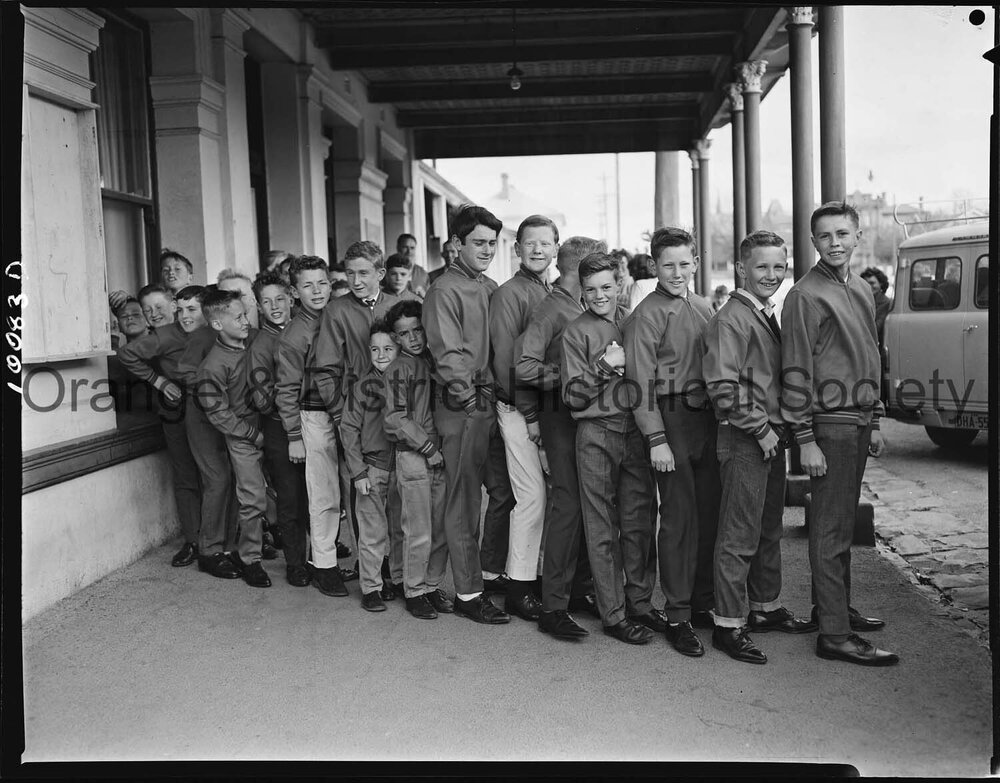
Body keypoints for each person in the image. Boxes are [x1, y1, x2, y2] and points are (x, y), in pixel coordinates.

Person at [781, 201, 898, 666]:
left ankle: (832, 609)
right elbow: (795, 369)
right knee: (830, 529)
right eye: (825, 236)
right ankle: (833, 635)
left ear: (857, 236)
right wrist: (805, 438)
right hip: (829, 425)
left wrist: (877, 418)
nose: (835, 243)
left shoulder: (861, 288)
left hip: (859, 419)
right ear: (813, 242)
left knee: (841, 524)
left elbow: (871, 353)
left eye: (843, 234)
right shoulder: (804, 295)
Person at [702, 230, 816, 665]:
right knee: (739, 532)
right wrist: (759, 427)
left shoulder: (765, 312)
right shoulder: (731, 318)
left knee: (769, 527)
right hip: (746, 437)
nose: (771, 274)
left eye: (779, 266)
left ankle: (765, 606)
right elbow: (721, 385)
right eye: (761, 266)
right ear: (741, 269)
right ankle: (728, 624)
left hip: (769, 435)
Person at [623, 227, 720, 658]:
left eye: (684, 263)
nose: (677, 272)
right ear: (654, 266)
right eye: (668, 265)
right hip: (671, 419)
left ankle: (702, 602)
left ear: (696, 263)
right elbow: (638, 382)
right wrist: (656, 438)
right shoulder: (646, 315)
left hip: (708, 420)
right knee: (678, 520)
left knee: (708, 514)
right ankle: (678, 615)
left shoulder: (703, 305)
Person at [561, 252, 658, 645]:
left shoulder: (632, 321)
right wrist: (604, 366)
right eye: (591, 290)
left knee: (639, 522)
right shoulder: (575, 332)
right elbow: (572, 396)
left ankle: (641, 604)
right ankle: (614, 615)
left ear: (620, 284)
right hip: (596, 433)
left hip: (634, 431)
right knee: (601, 526)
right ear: (582, 293)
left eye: (606, 287)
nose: (599, 295)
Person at [422, 204, 511, 625]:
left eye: (492, 243)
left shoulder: (490, 285)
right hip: (463, 407)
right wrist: (471, 399)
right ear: (456, 243)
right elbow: (447, 353)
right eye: (479, 242)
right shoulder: (443, 290)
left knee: (504, 492)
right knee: (463, 503)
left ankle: (489, 573)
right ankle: (469, 593)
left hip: (492, 402)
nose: (487, 250)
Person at [515, 236, 606, 639]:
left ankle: (578, 590)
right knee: (567, 505)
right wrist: (568, 377)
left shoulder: (582, 305)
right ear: (581, 268)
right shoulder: (550, 309)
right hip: (559, 413)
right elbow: (523, 365)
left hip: (584, 414)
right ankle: (553, 606)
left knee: (586, 502)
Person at [314, 240, 402, 589]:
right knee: (361, 487)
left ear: (381, 273)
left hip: (399, 410)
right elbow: (325, 369)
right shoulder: (336, 311)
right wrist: (340, 414)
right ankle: (369, 565)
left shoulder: (399, 305)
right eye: (350, 273)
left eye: (364, 273)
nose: (355, 280)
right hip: (358, 413)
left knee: (397, 490)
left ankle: (394, 566)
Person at [487, 215, 557, 621]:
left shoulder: (550, 289)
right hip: (517, 408)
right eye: (529, 243)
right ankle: (518, 587)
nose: (537, 250)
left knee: (545, 495)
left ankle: (537, 577)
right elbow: (505, 365)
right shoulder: (509, 294)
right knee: (531, 495)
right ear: (516, 249)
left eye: (545, 243)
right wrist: (530, 416)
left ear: (555, 248)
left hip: (544, 409)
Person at [275, 255, 350, 597]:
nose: (317, 290)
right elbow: (286, 389)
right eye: (307, 285)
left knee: (351, 487)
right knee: (323, 491)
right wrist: (294, 435)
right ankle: (324, 565)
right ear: (294, 292)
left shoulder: (338, 316)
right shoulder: (294, 334)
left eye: (322, 283)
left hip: (347, 410)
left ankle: (364, 561)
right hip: (314, 414)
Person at [118, 285, 207, 569]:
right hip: (176, 409)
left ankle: (223, 538)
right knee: (185, 473)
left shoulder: (206, 327)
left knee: (217, 473)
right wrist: (159, 381)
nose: (153, 313)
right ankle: (193, 540)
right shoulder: (161, 336)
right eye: (147, 310)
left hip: (212, 407)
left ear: (173, 305)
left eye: (159, 307)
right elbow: (127, 354)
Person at [195, 289, 271, 588]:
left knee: (271, 492)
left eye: (245, 315)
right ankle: (250, 559)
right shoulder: (212, 365)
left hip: (268, 424)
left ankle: (252, 542)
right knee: (252, 496)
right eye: (238, 318)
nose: (245, 321)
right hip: (243, 433)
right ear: (217, 324)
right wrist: (251, 434)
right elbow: (218, 413)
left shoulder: (254, 341)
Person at [383, 299, 454, 616]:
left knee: (439, 528)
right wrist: (428, 448)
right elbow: (395, 418)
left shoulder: (432, 361)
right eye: (404, 333)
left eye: (417, 330)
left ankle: (431, 585)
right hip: (415, 455)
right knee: (418, 528)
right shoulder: (399, 368)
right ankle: (413, 590)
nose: (412, 337)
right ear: (395, 337)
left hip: (438, 453)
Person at [249, 272, 311, 587]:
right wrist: (294, 391)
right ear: (258, 306)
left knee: (317, 494)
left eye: (279, 299)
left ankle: (318, 556)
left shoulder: (304, 328)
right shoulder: (262, 344)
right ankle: (295, 562)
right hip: (280, 427)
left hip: (313, 423)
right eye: (266, 301)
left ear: (291, 297)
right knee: (290, 497)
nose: (274, 306)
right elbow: (261, 401)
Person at [340, 320, 404, 613]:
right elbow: (348, 429)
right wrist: (358, 472)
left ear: (398, 349)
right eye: (375, 349)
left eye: (388, 348)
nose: (381, 355)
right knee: (372, 532)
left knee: (401, 529)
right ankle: (371, 588)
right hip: (372, 467)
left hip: (402, 465)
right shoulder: (362, 387)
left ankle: (398, 579)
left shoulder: (408, 382)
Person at [860, 267, 892, 348]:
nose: (868, 286)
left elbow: (875, 328)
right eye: (865, 283)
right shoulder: (860, 301)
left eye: (872, 283)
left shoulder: (885, 303)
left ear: (881, 284)